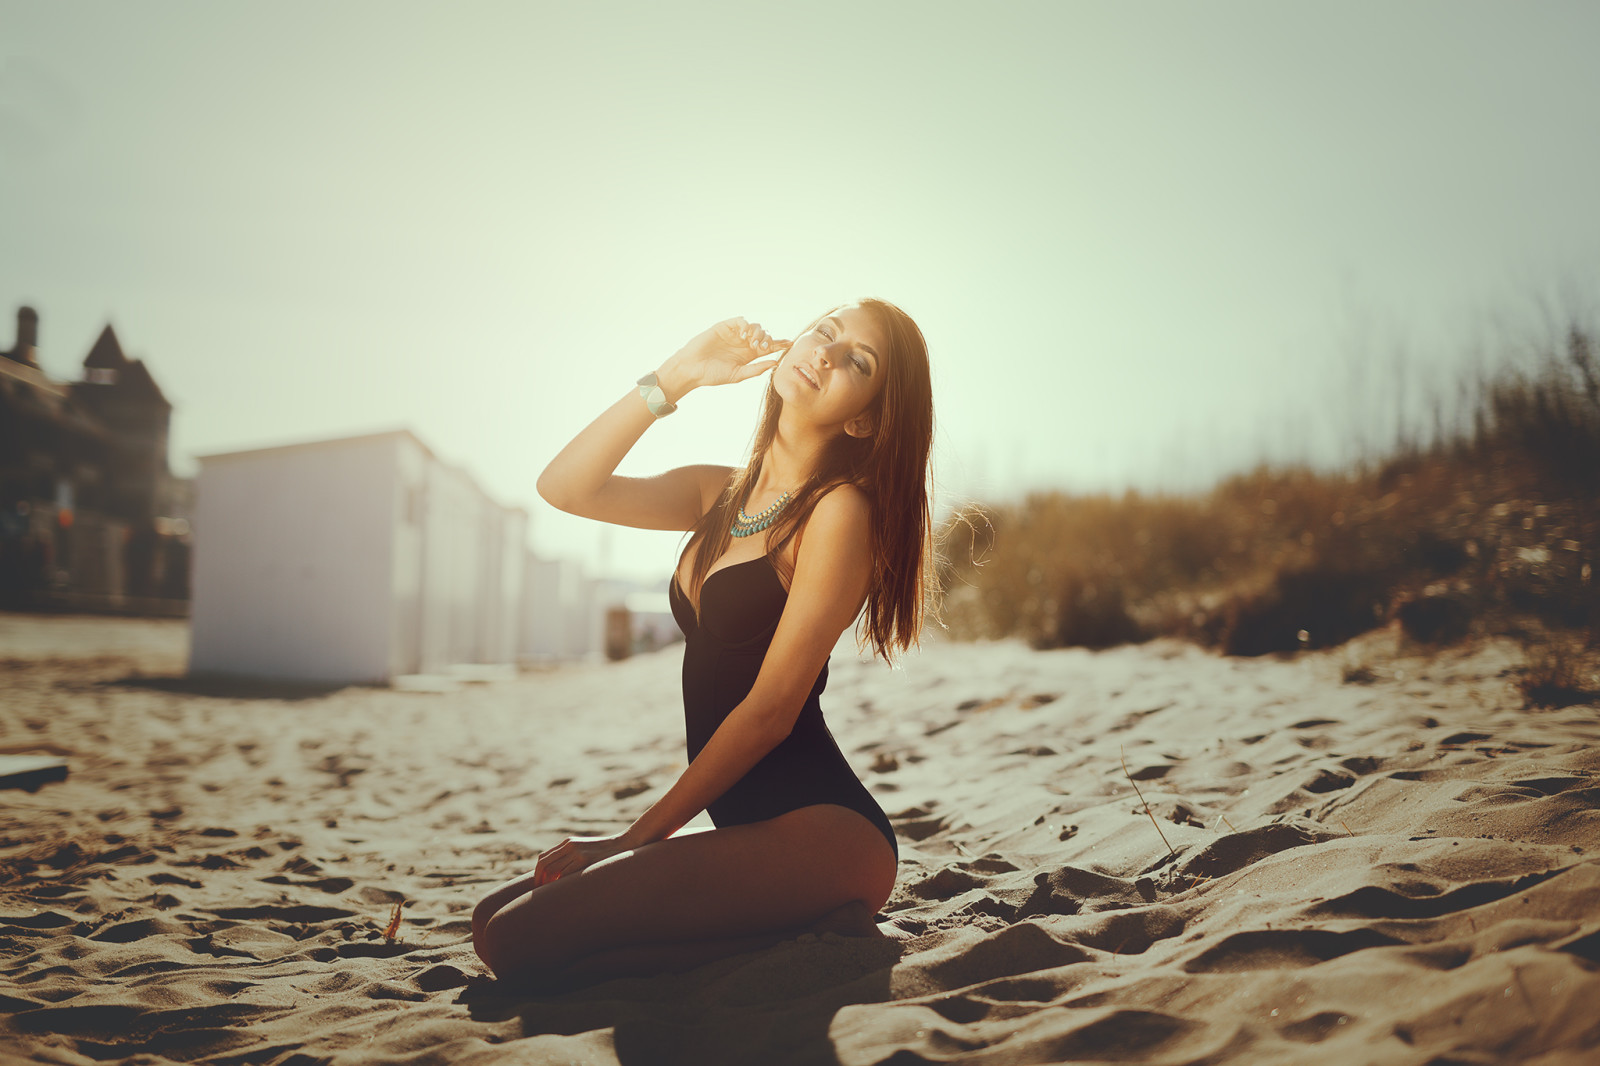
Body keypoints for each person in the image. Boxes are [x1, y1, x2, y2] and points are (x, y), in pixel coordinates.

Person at [472, 299, 935, 988]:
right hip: (747, 832)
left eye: (857, 362)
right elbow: (564, 488)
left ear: (864, 416)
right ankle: (799, 934)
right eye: (826, 332)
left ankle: (810, 929)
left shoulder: (839, 512)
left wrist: (634, 840)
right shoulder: (716, 494)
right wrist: (678, 375)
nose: (827, 354)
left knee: (516, 943)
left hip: (825, 833)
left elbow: (773, 708)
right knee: (491, 918)